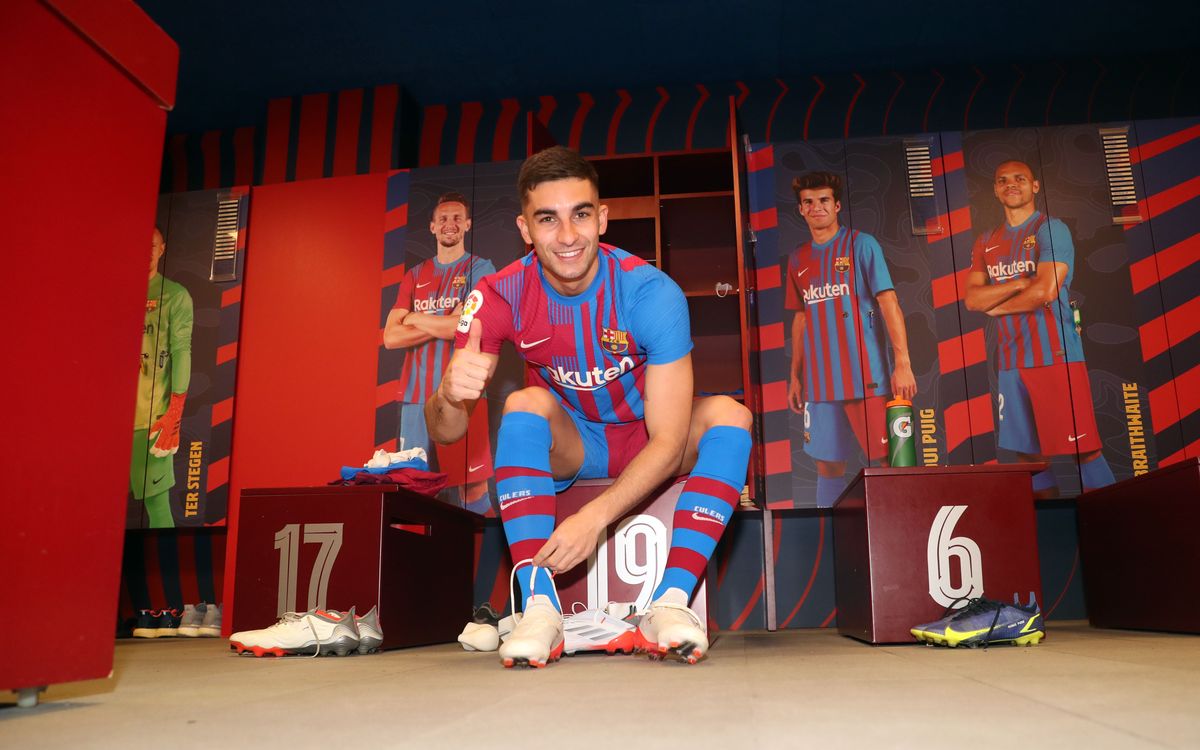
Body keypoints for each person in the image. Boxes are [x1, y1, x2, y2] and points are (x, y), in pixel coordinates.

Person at [426, 146, 752, 668]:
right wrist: (447, 394)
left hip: (648, 434)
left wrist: (593, 519)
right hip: (576, 443)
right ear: (525, 229)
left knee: (733, 417)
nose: (568, 235)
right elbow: (446, 433)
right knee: (523, 402)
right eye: (547, 219)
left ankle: (669, 604)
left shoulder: (650, 293)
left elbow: (670, 443)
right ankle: (539, 608)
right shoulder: (498, 295)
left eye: (580, 214)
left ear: (601, 217)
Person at [965, 160, 1114, 497]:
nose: (1011, 184)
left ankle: (1112, 521)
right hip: (1011, 363)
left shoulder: (1050, 229)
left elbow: (1045, 290)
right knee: (1029, 457)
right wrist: (1019, 282)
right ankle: (1047, 522)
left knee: (1084, 450)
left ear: (1034, 186)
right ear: (995, 190)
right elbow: (973, 299)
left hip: (1056, 356)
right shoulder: (986, 241)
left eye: (1020, 178)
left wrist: (998, 305)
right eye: (1002, 180)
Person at [783, 172, 916, 507]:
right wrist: (795, 376)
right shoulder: (798, 259)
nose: (816, 207)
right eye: (808, 202)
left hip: (866, 377)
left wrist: (902, 363)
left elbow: (888, 303)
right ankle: (830, 528)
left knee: (885, 460)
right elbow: (801, 318)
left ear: (837, 205)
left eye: (823, 200)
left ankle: (896, 523)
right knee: (827, 465)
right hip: (820, 385)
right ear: (801, 209)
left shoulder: (861, 244)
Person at [383, 192, 495, 513]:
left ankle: (478, 546)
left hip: (463, 393)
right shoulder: (415, 275)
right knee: (413, 485)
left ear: (468, 224)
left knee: (471, 490)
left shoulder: (480, 268)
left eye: (457, 218)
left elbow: (464, 326)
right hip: (415, 395)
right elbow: (390, 337)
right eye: (443, 219)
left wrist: (415, 317)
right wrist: (446, 320)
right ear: (432, 226)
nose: (450, 224)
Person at [131, 227, 193, 528]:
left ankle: (166, 558)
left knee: (157, 505)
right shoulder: (110, 292)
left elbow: (182, 351)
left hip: (151, 420)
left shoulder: (175, 296)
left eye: (152, 245)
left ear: (162, 249)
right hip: (104, 424)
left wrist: (175, 411)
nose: (147, 251)